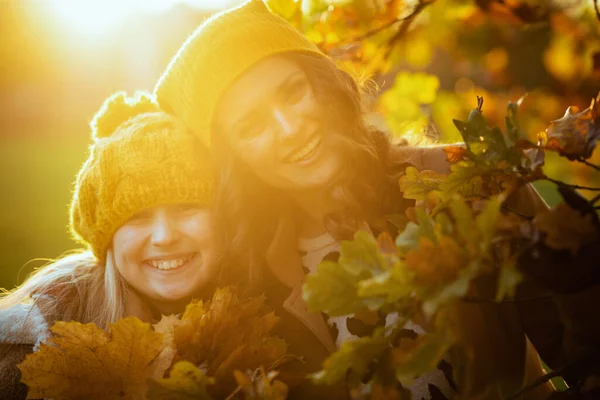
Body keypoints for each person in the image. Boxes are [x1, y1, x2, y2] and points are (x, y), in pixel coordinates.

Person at [153, 1, 569, 398]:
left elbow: (583, 343)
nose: (290, 127)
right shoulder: (255, 285)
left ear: (324, 85)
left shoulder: (465, 180)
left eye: (292, 92)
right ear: (233, 162)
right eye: (251, 125)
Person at [0, 92, 217, 400]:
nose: (164, 236)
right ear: (108, 240)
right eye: (138, 217)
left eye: (185, 207)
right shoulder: (47, 337)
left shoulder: (266, 318)